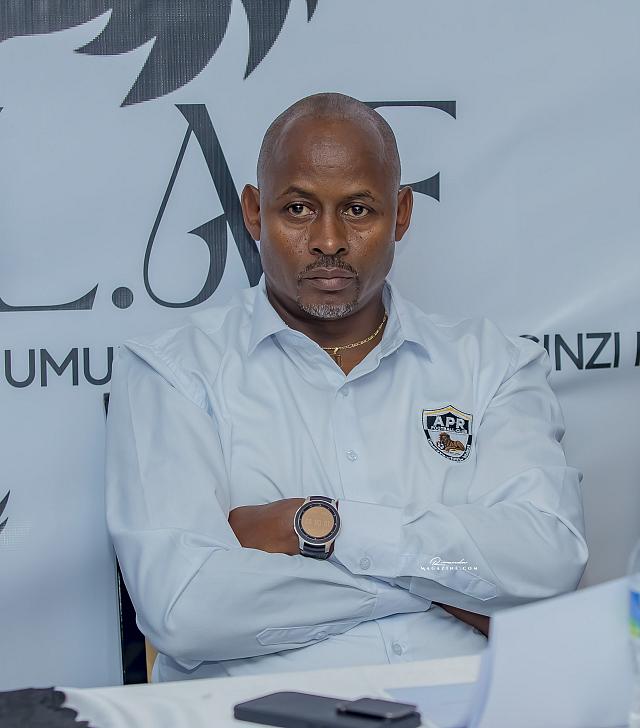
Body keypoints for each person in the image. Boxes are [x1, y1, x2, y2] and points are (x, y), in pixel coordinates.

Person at [105, 93, 588, 682]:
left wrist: (318, 526)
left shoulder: (495, 365)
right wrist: (447, 588)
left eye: (357, 210)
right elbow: (186, 609)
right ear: (254, 213)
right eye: (298, 209)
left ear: (401, 213)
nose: (329, 240)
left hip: (473, 709)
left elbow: (548, 563)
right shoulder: (173, 371)